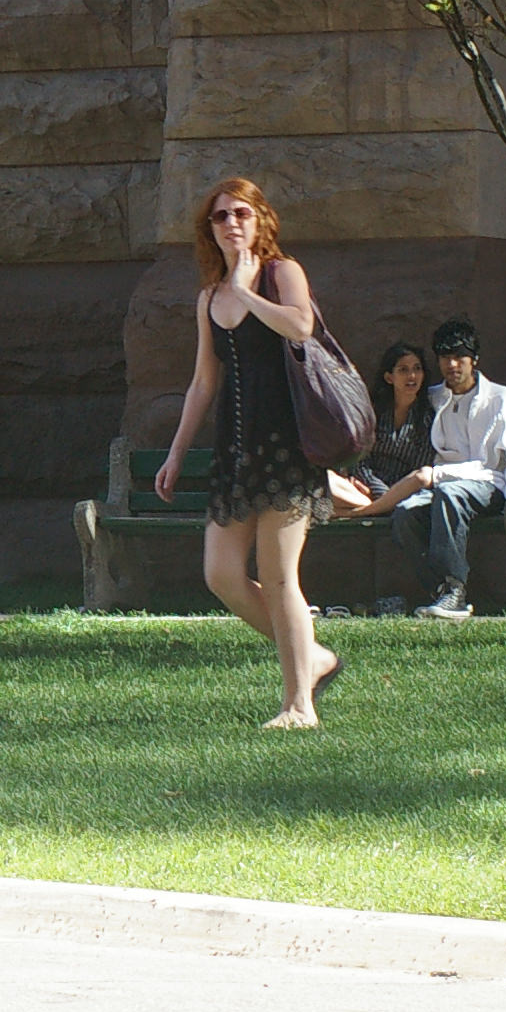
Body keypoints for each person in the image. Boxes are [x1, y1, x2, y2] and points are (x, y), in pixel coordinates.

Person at [156, 178, 346, 728]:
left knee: (280, 576)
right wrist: (175, 453)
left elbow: (301, 326)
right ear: (209, 230)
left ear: (260, 219)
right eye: (220, 217)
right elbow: (203, 382)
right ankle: (313, 657)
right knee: (221, 574)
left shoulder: (282, 273)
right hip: (234, 453)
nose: (231, 223)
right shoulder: (208, 299)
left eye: (241, 213)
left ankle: (299, 705)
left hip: (288, 449)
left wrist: (246, 292)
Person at [372, 316, 506, 621]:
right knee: (405, 513)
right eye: (445, 357)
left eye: (460, 357)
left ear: (474, 359)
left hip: (488, 484)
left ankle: (455, 587)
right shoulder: (433, 397)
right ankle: (441, 590)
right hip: (439, 486)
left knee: (451, 494)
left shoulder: (500, 398)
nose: (452, 365)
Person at [327, 341, 435, 521]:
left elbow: (417, 469)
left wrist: (388, 495)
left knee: (422, 477)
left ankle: (358, 512)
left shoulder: (427, 419)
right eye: (403, 370)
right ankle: (376, 508)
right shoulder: (373, 412)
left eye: (417, 369)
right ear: (389, 377)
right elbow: (360, 462)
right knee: (326, 480)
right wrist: (377, 492)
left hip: (403, 494)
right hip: (363, 491)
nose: (412, 376)